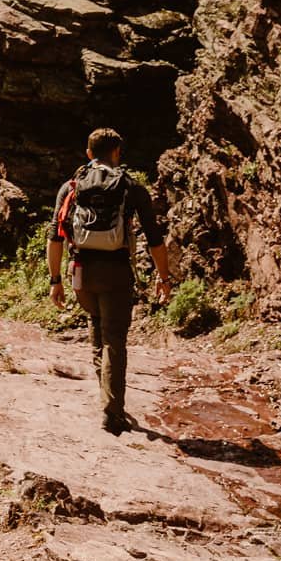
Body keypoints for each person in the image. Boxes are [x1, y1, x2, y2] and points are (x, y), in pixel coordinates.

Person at [48, 127, 176, 435]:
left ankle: (107, 398)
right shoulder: (130, 188)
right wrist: (164, 277)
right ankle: (112, 413)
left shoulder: (71, 187)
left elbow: (55, 237)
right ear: (117, 153)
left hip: (80, 271)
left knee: (96, 325)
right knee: (114, 341)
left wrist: (55, 279)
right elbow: (155, 239)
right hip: (116, 271)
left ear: (89, 153)